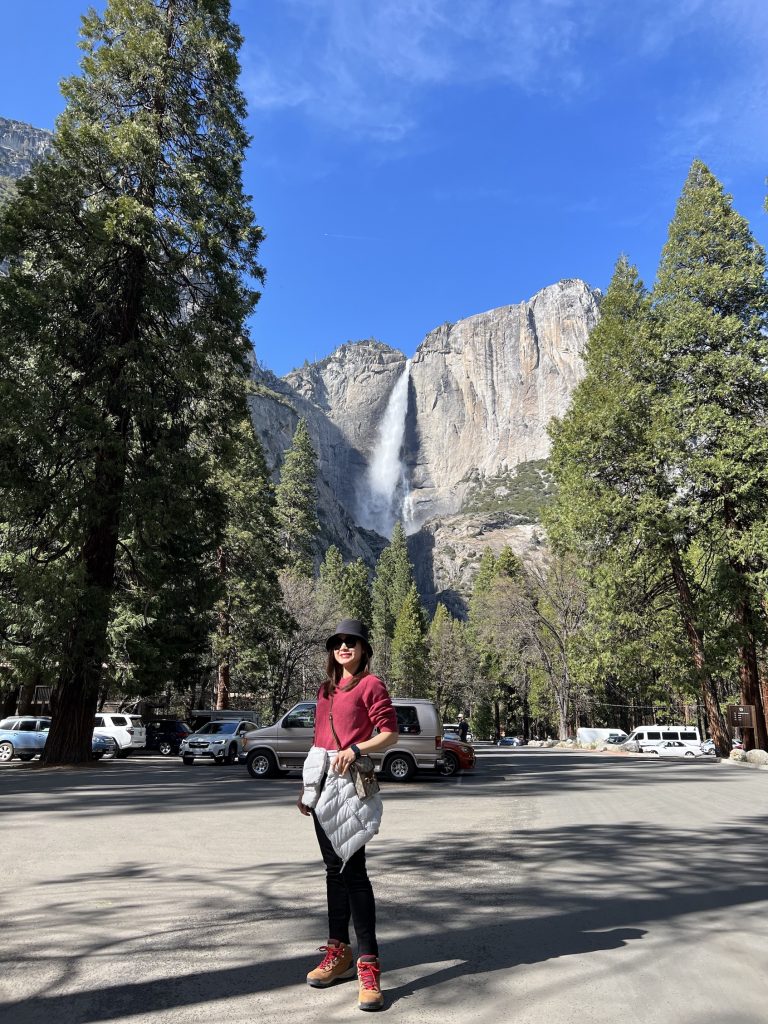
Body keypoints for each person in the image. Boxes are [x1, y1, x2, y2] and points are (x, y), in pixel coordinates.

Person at [298, 618, 398, 1012]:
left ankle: (369, 965)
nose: (344, 647)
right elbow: (318, 740)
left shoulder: (371, 685)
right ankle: (337, 953)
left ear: (363, 649)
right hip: (323, 783)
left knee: (354, 871)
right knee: (331, 871)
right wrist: (307, 789)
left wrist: (356, 749)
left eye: (351, 642)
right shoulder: (324, 690)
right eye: (338, 642)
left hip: (352, 783)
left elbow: (390, 732)